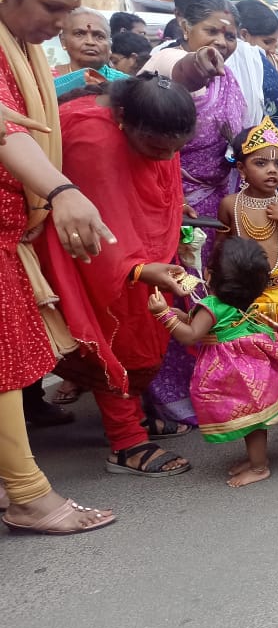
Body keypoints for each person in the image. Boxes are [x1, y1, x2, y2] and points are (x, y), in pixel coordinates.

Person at [0, 0, 118, 534]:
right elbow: (4, 128)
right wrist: (62, 190)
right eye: (53, 8)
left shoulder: (19, 51)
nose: (60, 24)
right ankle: (27, 494)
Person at [38, 73, 196, 477]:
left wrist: (175, 214)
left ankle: (136, 420)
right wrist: (138, 268)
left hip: (142, 255)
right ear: (124, 119)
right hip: (100, 262)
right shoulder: (93, 141)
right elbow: (97, 236)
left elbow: (157, 184)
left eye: (175, 149)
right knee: (112, 332)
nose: (165, 159)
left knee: (144, 326)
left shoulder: (149, 130)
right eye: (157, 149)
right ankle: (126, 443)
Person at [148, 239, 278, 487]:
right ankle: (255, 460)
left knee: (252, 418)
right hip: (248, 363)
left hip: (230, 369)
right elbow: (210, 325)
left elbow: (192, 335)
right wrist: (184, 317)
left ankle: (259, 467)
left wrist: (164, 316)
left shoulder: (211, 305)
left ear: (208, 273)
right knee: (254, 417)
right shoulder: (236, 299)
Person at [141, 0, 246, 264]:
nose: (221, 42)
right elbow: (183, 69)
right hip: (177, 201)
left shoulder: (228, 76)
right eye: (211, 30)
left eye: (230, 36)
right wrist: (198, 62)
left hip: (223, 196)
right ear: (186, 28)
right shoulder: (163, 62)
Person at [218, 117, 278, 346]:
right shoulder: (231, 204)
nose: (271, 170)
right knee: (254, 354)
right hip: (248, 296)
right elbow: (221, 248)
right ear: (241, 168)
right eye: (261, 163)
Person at [53, 8, 127, 96]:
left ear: (110, 44)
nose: (90, 42)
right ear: (63, 41)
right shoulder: (44, 81)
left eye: (99, 36)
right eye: (79, 34)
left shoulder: (125, 85)